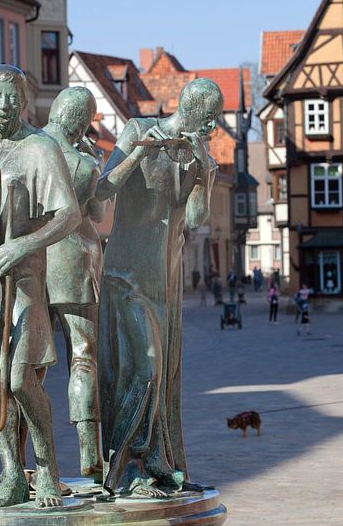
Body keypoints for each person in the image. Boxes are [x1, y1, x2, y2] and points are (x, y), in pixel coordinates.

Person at [0, 65, 81, 508]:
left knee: (21, 379)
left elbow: (69, 214)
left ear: (23, 101)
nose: (4, 106)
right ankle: (10, 471)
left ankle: (47, 468)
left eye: (12, 97)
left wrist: (24, 243)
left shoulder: (40, 148)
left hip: (23, 284)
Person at [96, 78, 223, 497]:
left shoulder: (195, 155)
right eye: (210, 118)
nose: (214, 126)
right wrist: (136, 153)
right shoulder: (138, 130)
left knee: (164, 378)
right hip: (127, 275)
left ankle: (157, 464)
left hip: (164, 282)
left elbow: (196, 218)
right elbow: (102, 189)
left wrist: (204, 174)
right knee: (145, 369)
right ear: (192, 110)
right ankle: (124, 468)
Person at [43, 86, 105, 481]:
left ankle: (32, 461)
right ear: (82, 124)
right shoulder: (84, 164)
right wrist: (96, 161)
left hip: (34, 263)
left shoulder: (30, 147)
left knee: (29, 366)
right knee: (82, 356)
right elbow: (96, 213)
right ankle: (89, 452)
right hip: (74, 260)